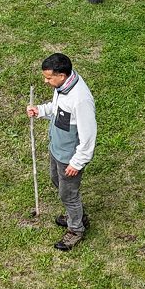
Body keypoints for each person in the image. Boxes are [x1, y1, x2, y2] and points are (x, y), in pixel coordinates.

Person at [27, 53, 97, 251]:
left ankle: (76, 229)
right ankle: (77, 214)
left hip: (69, 157)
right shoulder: (63, 87)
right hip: (57, 149)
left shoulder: (80, 99)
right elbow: (59, 111)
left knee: (68, 195)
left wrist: (77, 162)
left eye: (49, 78)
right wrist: (40, 110)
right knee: (56, 181)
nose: (46, 81)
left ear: (63, 75)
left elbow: (89, 135)